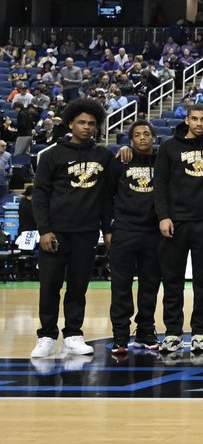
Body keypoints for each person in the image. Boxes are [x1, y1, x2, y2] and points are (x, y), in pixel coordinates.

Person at [30, 99, 114, 358]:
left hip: (86, 232)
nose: (87, 127)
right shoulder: (52, 155)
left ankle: (73, 334)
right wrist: (44, 230)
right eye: (82, 123)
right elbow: (40, 195)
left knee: (78, 287)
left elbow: (107, 197)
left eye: (91, 123)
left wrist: (106, 229)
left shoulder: (104, 156)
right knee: (50, 285)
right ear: (70, 124)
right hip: (55, 232)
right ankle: (46, 335)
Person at [153, 103, 203, 354]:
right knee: (172, 281)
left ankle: (199, 332)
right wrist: (163, 216)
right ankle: (172, 333)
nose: (199, 123)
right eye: (194, 119)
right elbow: (159, 184)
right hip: (175, 222)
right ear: (187, 120)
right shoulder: (170, 147)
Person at [106, 121, 160, 354]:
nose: (142, 138)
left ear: (154, 137)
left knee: (150, 285)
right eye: (137, 135)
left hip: (154, 233)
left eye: (146, 134)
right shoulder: (120, 161)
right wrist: (107, 229)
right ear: (130, 140)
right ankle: (120, 334)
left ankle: (146, 330)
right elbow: (106, 196)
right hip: (125, 231)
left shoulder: (162, 161)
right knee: (121, 286)